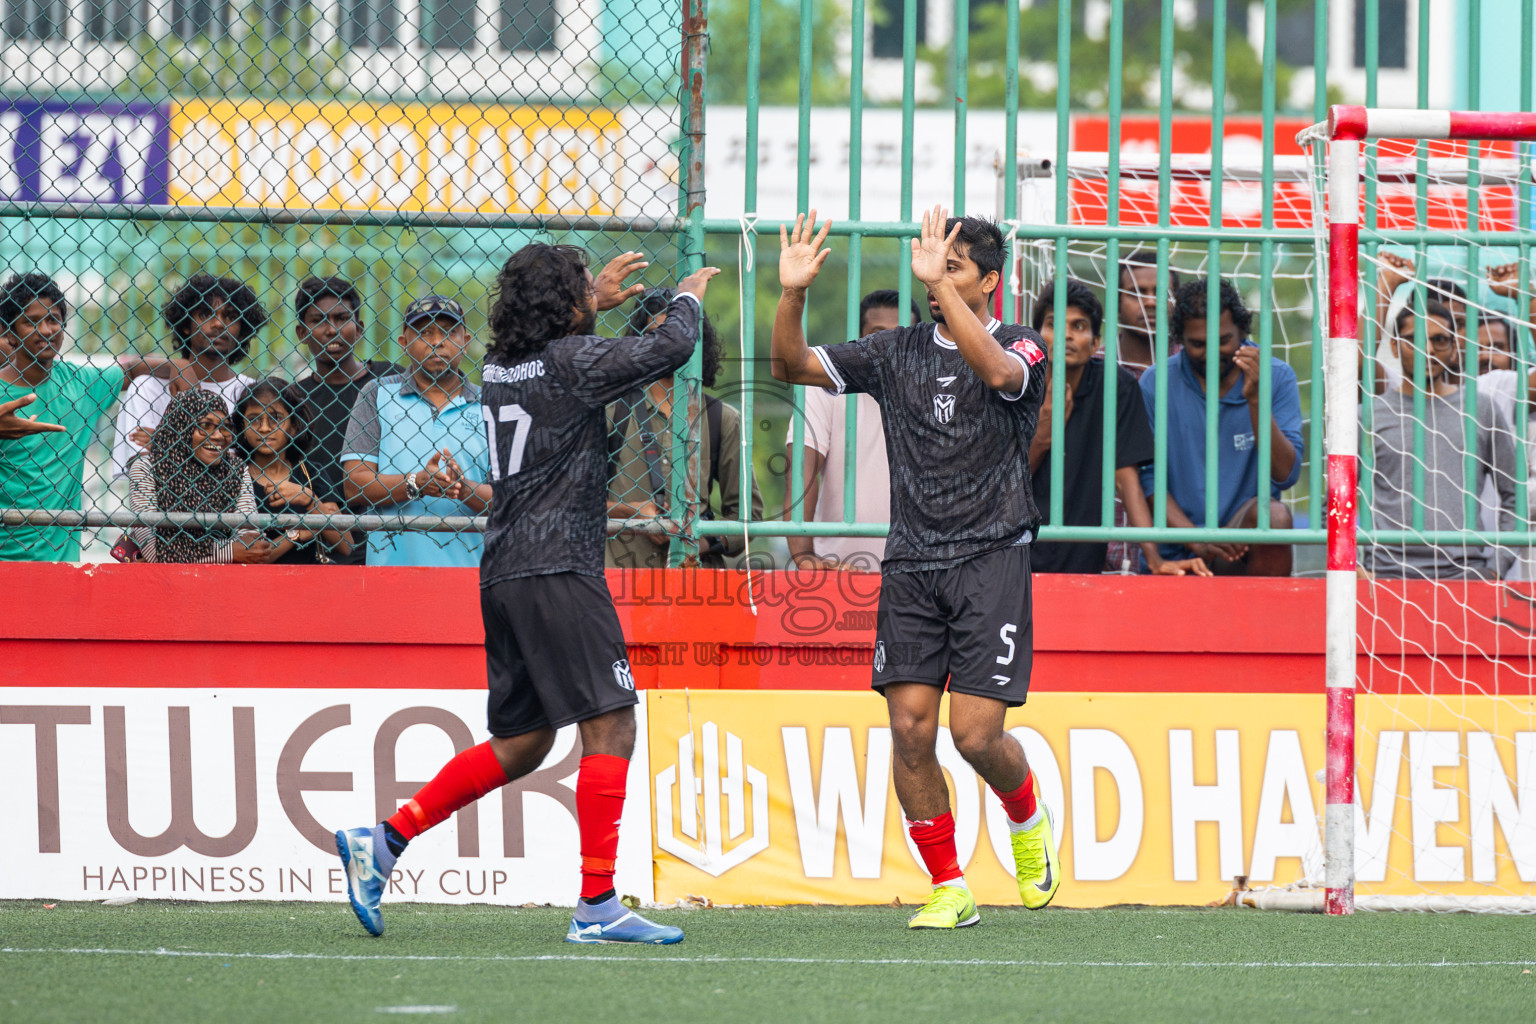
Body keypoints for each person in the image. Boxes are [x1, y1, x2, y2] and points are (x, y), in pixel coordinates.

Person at [334, 247, 714, 945]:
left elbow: (563, 358)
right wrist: (686, 295)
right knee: (612, 723)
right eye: (583, 286)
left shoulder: (501, 366)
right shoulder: (570, 362)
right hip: (558, 567)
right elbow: (672, 346)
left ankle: (383, 841)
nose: (593, 291)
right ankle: (597, 904)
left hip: (505, 568)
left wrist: (589, 303)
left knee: (523, 742)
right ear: (566, 304)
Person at [771, 206, 1059, 930]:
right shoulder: (893, 350)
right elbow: (790, 366)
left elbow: (997, 373)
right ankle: (949, 886)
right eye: (931, 267)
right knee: (908, 731)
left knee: (976, 737)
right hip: (911, 564)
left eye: (954, 268)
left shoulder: (1022, 344)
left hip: (991, 557)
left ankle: (1026, 815)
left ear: (990, 281)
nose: (935, 279)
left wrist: (947, 293)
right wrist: (793, 294)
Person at [0, 272, 190, 561]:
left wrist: (178, 366)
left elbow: (131, 370)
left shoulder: (81, 383)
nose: (46, 330)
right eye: (31, 321)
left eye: (53, 320)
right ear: (10, 333)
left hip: (61, 560)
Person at [1027, 278, 1209, 577]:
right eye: (1053, 324)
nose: (1066, 334)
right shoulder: (1016, 385)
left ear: (1096, 344)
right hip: (1015, 554)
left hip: (1083, 560)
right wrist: (1042, 437)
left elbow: (1126, 479)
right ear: (1035, 336)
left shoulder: (1116, 386)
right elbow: (1000, 484)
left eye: (1079, 326)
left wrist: (1154, 559)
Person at [1139, 278, 1304, 576]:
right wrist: (1196, 540)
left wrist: (1256, 401)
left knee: (1275, 517)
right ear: (1180, 339)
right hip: (1177, 549)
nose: (1211, 353)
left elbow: (1286, 475)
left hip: (1240, 547)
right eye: (1198, 344)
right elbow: (1147, 480)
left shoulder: (1276, 376)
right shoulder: (1156, 382)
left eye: (1223, 340)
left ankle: (1265, 608)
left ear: (1242, 331)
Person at [605, 287, 764, 569]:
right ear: (638, 342)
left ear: (697, 341)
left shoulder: (721, 418)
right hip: (619, 580)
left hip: (693, 580)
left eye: (680, 334)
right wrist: (633, 514)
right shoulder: (611, 412)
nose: (669, 345)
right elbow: (572, 504)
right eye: (657, 335)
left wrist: (697, 540)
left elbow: (747, 517)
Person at [1365, 301, 1518, 579]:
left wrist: (1496, 568)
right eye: (1414, 340)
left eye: (1439, 339)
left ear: (1454, 347)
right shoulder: (1369, 415)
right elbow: (1336, 500)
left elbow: (1514, 494)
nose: (1428, 349)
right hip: (1386, 576)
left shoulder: (1481, 409)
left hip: (1466, 577)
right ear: (1395, 347)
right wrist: (1356, 569)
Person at [339, 295, 492, 567]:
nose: (437, 341)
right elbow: (354, 485)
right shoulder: (377, 394)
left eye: (449, 332)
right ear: (404, 342)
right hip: (392, 572)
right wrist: (417, 483)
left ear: (465, 342)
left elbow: (512, 500)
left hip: (472, 574)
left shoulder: (490, 404)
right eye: (424, 332)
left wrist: (462, 488)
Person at [781, 289, 915, 571]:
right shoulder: (822, 389)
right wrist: (804, 557)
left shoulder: (934, 391)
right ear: (859, 340)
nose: (888, 345)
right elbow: (801, 474)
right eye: (878, 335)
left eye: (899, 336)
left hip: (919, 572)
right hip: (838, 569)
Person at [290, 277, 402, 564]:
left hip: (390, 534)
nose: (331, 330)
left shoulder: (394, 381)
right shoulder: (294, 400)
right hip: (321, 542)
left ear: (359, 328)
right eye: (318, 321)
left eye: (341, 319)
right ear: (302, 332)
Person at [112, 275, 266, 477]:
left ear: (242, 329)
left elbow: (258, 472)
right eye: (206, 314)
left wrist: (165, 445)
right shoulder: (147, 389)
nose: (219, 323)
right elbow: (143, 475)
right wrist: (218, 453)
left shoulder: (254, 394)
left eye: (230, 316)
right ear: (186, 325)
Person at [126, 390, 273, 564]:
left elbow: (251, 545)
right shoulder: (147, 468)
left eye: (224, 427)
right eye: (205, 426)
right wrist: (230, 551)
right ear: (181, 427)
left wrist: (179, 550)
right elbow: (153, 551)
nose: (218, 436)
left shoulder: (235, 469)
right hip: (167, 578)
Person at [234, 379, 354, 564]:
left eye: (275, 418)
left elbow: (346, 544)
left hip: (306, 577)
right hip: (252, 580)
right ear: (242, 426)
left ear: (293, 426)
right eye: (254, 419)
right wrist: (295, 533)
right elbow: (255, 556)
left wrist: (309, 500)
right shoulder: (234, 475)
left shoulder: (310, 473)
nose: (264, 428)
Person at [1115, 249, 1181, 374]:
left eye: (1162, 293)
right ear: (1117, 303)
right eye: (1136, 293)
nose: (1151, 302)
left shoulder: (1195, 363)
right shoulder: (1094, 364)